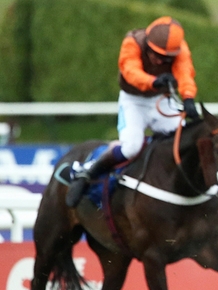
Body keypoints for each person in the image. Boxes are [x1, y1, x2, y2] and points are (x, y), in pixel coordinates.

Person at [66, 16, 199, 207]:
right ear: (148, 44)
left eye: (166, 59)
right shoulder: (133, 42)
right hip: (133, 102)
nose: (160, 61)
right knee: (131, 147)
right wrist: (152, 81)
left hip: (161, 100)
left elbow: (185, 73)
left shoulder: (180, 49)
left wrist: (188, 98)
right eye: (156, 55)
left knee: (183, 140)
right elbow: (130, 70)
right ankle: (86, 172)